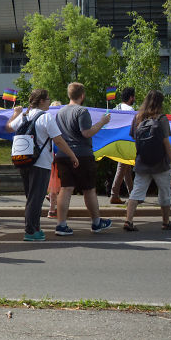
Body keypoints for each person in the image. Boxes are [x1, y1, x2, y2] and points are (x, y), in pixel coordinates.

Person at [6, 89, 79, 241]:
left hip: (24, 160)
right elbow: (58, 140)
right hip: (41, 162)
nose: (49, 102)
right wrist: (72, 155)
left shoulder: (24, 116)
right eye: (47, 99)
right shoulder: (46, 117)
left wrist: (15, 114)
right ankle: (31, 231)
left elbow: (9, 128)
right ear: (41, 101)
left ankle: (35, 227)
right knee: (36, 198)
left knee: (31, 197)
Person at [54, 82, 113, 236]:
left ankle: (61, 225)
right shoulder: (82, 111)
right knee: (89, 189)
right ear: (82, 96)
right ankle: (96, 222)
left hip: (63, 154)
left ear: (69, 95)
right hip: (82, 154)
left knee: (65, 189)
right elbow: (86, 133)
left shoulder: (60, 112)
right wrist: (102, 122)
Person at [123, 90, 171, 231]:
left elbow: (134, 138)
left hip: (142, 162)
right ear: (160, 103)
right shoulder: (161, 119)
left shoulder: (137, 118)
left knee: (136, 192)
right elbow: (166, 143)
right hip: (160, 164)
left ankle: (128, 221)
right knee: (164, 192)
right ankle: (166, 222)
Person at [109, 87, 136, 204]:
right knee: (122, 167)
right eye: (134, 96)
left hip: (116, 141)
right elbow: (133, 127)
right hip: (126, 142)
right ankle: (114, 194)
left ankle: (133, 193)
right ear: (131, 97)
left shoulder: (116, 108)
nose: (134, 98)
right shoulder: (130, 109)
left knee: (126, 168)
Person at [47, 100, 63, 218]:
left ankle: (52, 208)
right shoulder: (60, 123)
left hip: (50, 156)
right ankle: (53, 208)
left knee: (54, 184)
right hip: (58, 156)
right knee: (58, 185)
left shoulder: (47, 121)